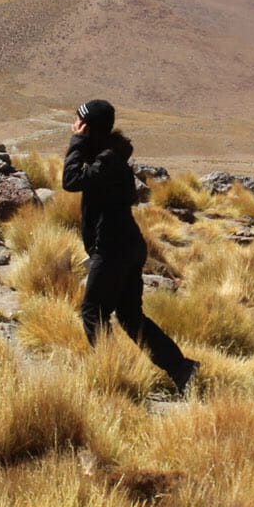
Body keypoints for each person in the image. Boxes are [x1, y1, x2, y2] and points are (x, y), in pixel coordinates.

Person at [61, 99, 198, 394]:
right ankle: (183, 369)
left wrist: (76, 142)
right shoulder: (109, 157)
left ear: (89, 128)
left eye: (80, 124)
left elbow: (71, 181)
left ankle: (115, 375)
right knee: (129, 316)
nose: (75, 127)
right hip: (125, 245)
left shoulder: (108, 161)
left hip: (114, 248)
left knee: (92, 312)